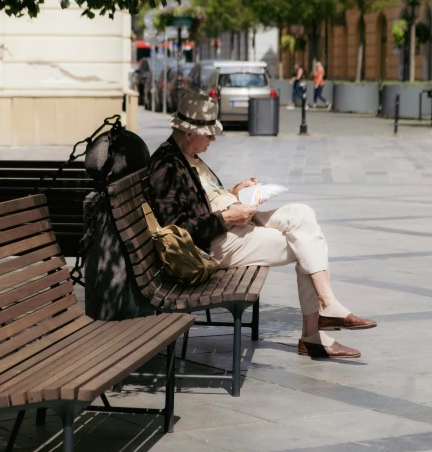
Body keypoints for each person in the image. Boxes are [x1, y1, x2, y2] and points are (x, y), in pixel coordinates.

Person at [148, 91, 377, 359]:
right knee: (306, 244)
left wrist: (234, 192)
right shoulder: (167, 166)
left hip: (230, 222)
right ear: (188, 132)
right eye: (209, 134)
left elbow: (205, 198)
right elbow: (178, 230)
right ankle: (318, 326)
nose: (213, 139)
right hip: (214, 243)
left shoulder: (188, 155)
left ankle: (325, 314)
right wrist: (227, 217)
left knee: (302, 214)